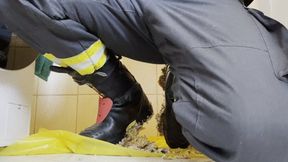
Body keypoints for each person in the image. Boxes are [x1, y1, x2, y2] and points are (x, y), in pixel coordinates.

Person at [1, 0, 288, 161]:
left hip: (217, 13)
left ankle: (180, 92)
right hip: (146, 7)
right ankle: (126, 100)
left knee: (254, 133)